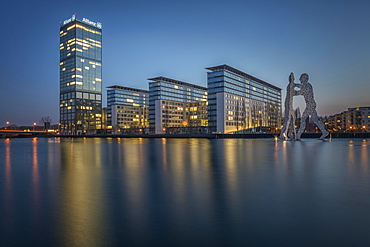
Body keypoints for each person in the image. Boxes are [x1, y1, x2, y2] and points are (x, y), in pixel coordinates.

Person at [295, 73, 329, 140]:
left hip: (310, 105)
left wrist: (293, 92)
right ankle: (324, 132)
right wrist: (295, 85)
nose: (300, 79)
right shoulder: (306, 85)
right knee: (314, 119)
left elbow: (300, 92)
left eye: (301, 78)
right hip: (311, 105)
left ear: (304, 79)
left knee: (303, 119)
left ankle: (298, 135)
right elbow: (301, 86)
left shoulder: (307, 86)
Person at [280, 72, 297, 140]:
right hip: (289, 105)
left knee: (293, 119)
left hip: (289, 105)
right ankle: (285, 132)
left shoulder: (291, 85)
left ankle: (286, 134)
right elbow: (291, 93)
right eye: (291, 78)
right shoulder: (290, 85)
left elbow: (296, 85)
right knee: (288, 119)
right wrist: (298, 92)